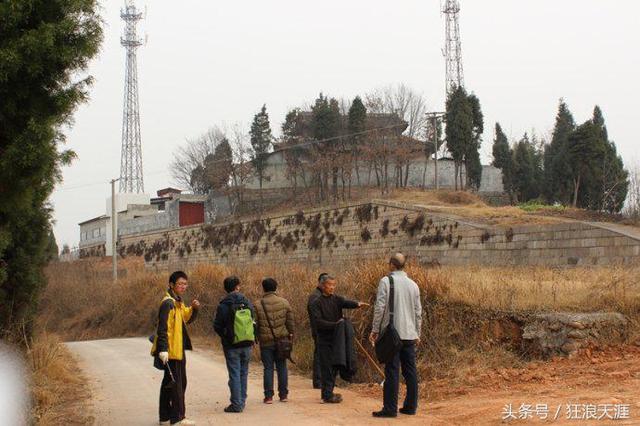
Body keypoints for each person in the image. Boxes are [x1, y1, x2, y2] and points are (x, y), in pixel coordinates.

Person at [369, 253, 422, 418]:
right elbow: (418, 311)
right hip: (409, 334)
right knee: (410, 371)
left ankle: (390, 409)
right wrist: (418, 332)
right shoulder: (413, 285)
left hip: (393, 334)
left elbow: (380, 307)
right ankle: (410, 407)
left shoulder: (386, 281)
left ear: (392, 264)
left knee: (392, 370)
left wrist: (375, 329)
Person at [151, 271, 200, 426]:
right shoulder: (168, 303)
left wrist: (193, 308)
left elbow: (186, 317)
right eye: (180, 284)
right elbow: (162, 329)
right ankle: (177, 418)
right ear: (171, 285)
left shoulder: (177, 301)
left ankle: (164, 417)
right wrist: (163, 349)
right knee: (178, 384)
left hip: (177, 350)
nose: (183, 286)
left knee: (169, 383)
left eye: (185, 284)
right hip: (172, 351)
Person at [309, 275, 368, 403]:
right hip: (324, 340)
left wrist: (357, 304)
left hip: (337, 339)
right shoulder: (316, 303)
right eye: (330, 285)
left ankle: (328, 393)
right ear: (323, 286)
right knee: (326, 367)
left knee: (335, 365)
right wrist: (336, 325)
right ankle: (326, 395)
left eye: (334, 285)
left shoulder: (336, 299)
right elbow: (318, 322)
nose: (332, 288)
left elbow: (346, 302)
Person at [213, 276, 256, 413]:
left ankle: (236, 404)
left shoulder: (223, 305)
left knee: (235, 374)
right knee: (243, 373)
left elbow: (217, 326)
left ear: (225, 288)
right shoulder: (247, 302)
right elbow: (253, 320)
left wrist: (226, 337)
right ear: (237, 286)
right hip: (247, 343)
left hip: (231, 346)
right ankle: (241, 401)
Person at [254, 278, 295, 404]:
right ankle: (283, 395)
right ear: (276, 287)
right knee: (282, 367)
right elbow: (290, 322)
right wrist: (291, 334)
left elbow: (255, 324)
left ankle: (268, 397)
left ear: (263, 288)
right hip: (282, 341)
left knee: (268, 368)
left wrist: (256, 337)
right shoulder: (284, 302)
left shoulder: (257, 304)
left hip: (266, 342)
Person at [307, 273, 328, 389]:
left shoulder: (319, 295)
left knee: (322, 354)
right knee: (319, 355)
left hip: (322, 329)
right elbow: (316, 317)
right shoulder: (315, 297)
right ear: (321, 283)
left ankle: (321, 380)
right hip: (319, 330)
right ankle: (318, 381)